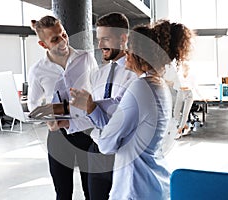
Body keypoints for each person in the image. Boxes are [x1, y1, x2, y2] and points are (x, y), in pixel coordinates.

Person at [70, 19, 195, 199]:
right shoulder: (156, 85)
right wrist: (92, 107)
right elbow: (117, 112)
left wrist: (92, 117)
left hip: (135, 186)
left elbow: (106, 144)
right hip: (149, 183)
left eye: (129, 50)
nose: (125, 54)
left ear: (140, 55)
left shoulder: (141, 88)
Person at [27, 15, 98, 200]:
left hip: (87, 132)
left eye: (64, 35)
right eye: (55, 39)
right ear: (43, 45)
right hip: (58, 136)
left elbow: (98, 91)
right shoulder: (38, 70)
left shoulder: (86, 58)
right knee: (63, 193)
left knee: (92, 191)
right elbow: (33, 104)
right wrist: (48, 120)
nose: (63, 41)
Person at [72, 12, 136, 200]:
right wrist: (68, 123)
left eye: (105, 39)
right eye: (98, 40)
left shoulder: (135, 75)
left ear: (123, 38)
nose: (99, 46)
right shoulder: (99, 75)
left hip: (123, 154)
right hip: (97, 150)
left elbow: (118, 121)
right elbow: (93, 116)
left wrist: (91, 106)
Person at [173, 62, 205, 139]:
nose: (186, 69)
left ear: (189, 68)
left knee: (185, 113)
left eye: (187, 67)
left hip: (189, 95)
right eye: (184, 67)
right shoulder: (179, 76)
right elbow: (175, 86)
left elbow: (195, 87)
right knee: (176, 113)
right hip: (180, 93)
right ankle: (185, 125)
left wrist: (202, 97)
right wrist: (180, 88)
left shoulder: (192, 76)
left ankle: (180, 130)